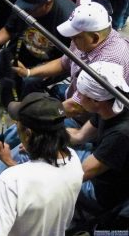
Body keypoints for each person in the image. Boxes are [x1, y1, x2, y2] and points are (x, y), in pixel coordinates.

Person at [0, 2, 129, 155]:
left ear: (94, 38)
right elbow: (64, 62)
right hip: (75, 98)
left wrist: (32, 114)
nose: (72, 41)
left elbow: (76, 107)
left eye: (75, 37)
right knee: (31, 112)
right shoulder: (85, 39)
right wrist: (29, 72)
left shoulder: (108, 62)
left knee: (32, 134)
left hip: (85, 117)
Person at [0, 92, 83, 235]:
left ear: (28, 134)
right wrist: (11, 160)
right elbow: (35, 186)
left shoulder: (10, 181)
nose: (15, 124)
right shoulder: (74, 160)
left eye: (17, 123)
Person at [0, 0, 75, 100]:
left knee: (30, 82)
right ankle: (13, 91)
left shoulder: (68, 18)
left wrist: (36, 72)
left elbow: (69, 60)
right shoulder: (25, 6)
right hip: (24, 49)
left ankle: (25, 107)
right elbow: (9, 29)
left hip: (52, 61)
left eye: (31, 9)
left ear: (47, 3)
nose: (26, 12)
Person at [68, 61, 129, 221]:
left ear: (96, 101)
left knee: (37, 163)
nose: (78, 98)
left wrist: (42, 149)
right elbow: (79, 136)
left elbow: (76, 176)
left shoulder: (121, 134)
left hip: (103, 191)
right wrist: (46, 133)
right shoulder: (111, 103)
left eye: (82, 95)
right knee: (57, 127)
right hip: (99, 158)